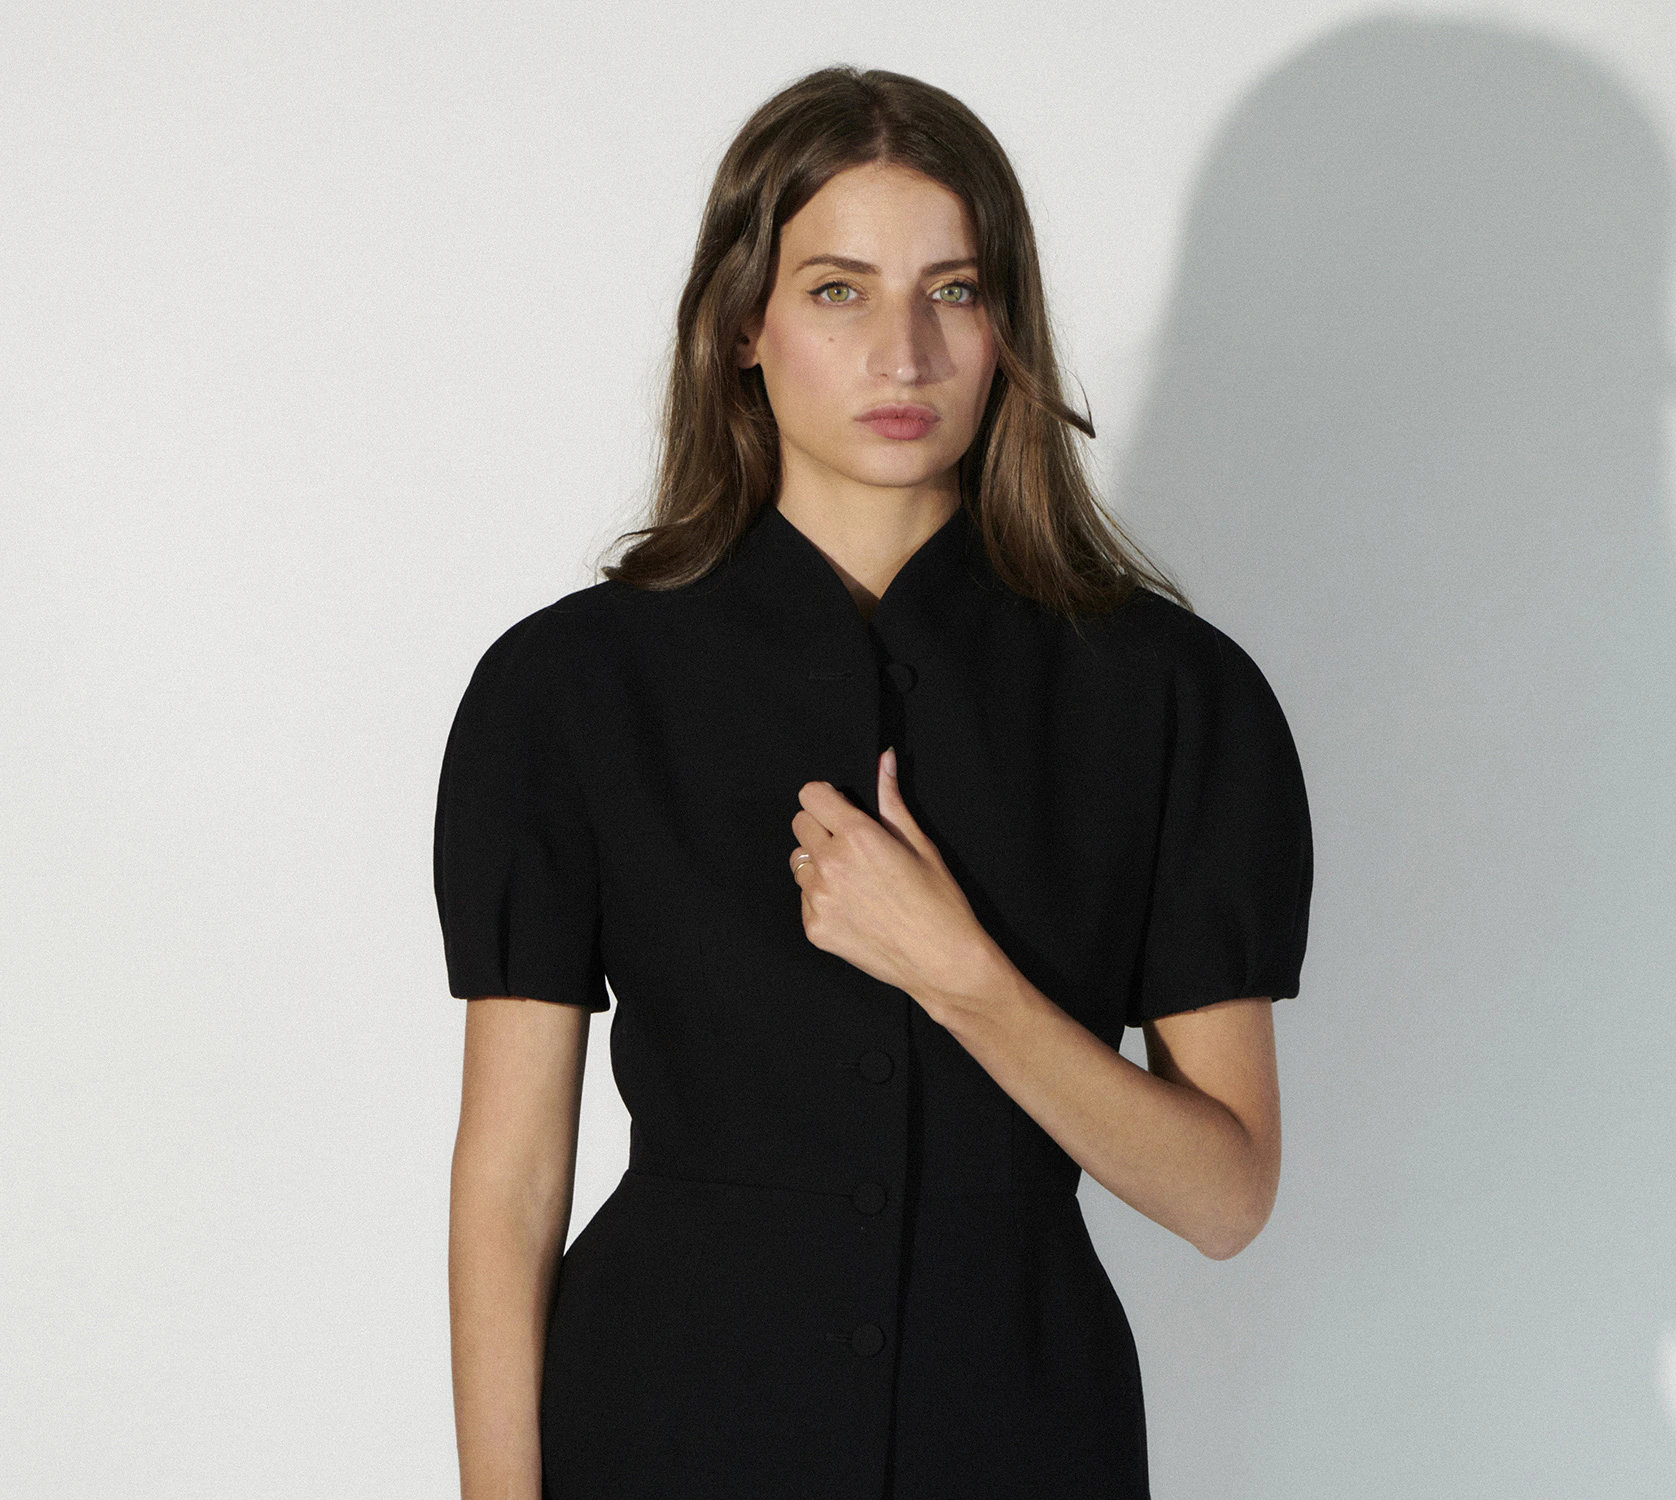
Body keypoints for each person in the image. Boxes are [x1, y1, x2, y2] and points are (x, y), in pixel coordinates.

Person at [433, 64, 1314, 1499]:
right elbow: (513, 1183)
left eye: (953, 292)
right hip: (663, 1435)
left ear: (1008, 327)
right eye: (839, 290)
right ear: (742, 324)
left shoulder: (1170, 695)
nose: (903, 354)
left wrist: (964, 978)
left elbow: (1225, 1197)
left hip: (1020, 1444)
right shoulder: (569, 690)